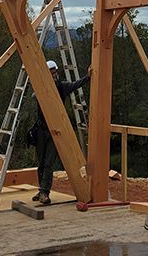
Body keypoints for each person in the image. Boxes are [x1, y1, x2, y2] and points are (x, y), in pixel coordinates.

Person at [32, 59, 92, 205]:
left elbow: (75, 84)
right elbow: (34, 96)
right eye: (51, 73)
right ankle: (41, 190)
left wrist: (88, 77)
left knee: (48, 163)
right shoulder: (41, 88)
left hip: (55, 132)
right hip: (41, 130)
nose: (54, 75)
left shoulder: (62, 87)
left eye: (54, 72)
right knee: (41, 163)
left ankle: (44, 192)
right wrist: (44, 85)